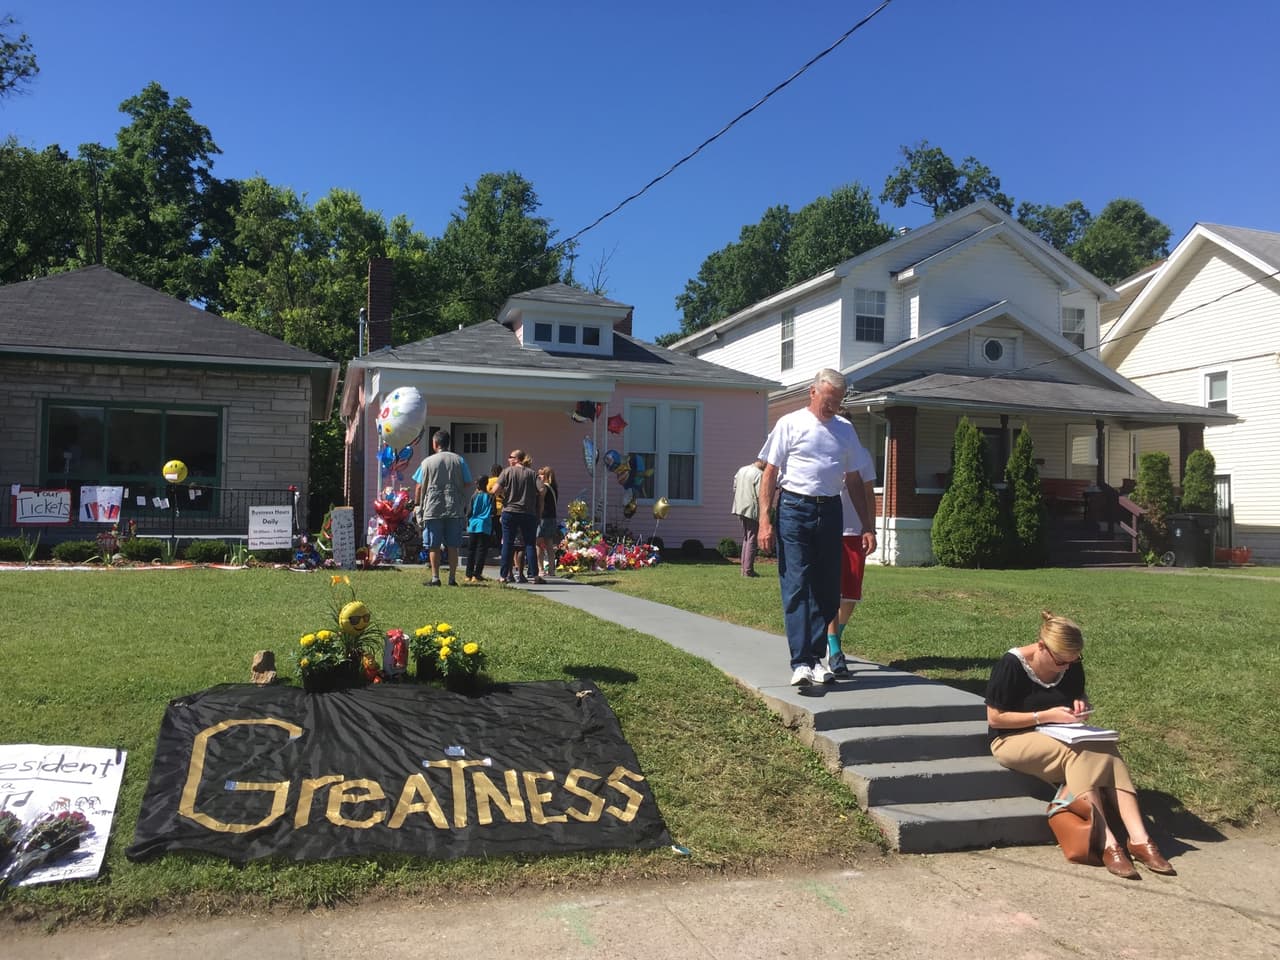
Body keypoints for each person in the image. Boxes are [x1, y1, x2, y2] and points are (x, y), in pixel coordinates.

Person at [985, 610, 1175, 879]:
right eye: (1061, 661)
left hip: (1060, 733)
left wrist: (1080, 704)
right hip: (1012, 739)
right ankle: (1107, 841)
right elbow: (996, 718)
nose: (1066, 667)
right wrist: (1046, 715)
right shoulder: (1012, 665)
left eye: (1073, 660)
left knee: (1107, 749)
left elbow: (1077, 693)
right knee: (1078, 752)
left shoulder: (1071, 665)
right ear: (1041, 647)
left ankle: (1139, 838)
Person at [757, 368, 876, 687]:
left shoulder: (845, 430)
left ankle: (816, 658)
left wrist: (867, 526)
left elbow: (854, 480)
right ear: (813, 392)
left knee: (826, 588)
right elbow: (770, 473)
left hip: (830, 510)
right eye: (828, 399)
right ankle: (801, 662)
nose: (832, 407)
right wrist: (765, 520)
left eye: (838, 401)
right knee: (797, 584)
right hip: (794, 508)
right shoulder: (790, 423)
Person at [826, 408, 877, 676]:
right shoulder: (824, 453)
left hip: (855, 531)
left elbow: (868, 493)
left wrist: (871, 528)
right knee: (831, 591)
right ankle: (834, 649)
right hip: (828, 530)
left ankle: (835, 637)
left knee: (850, 594)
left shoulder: (862, 455)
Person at [413, 429, 471, 587]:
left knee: (434, 545)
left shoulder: (427, 462)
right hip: (454, 507)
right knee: (453, 545)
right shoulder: (459, 460)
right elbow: (467, 482)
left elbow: (419, 486)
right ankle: (452, 578)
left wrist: (417, 505)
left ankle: (435, 577)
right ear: (448, 443)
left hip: (433, 507)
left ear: (435, 443)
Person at [496, 448, 541, 584]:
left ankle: (503, 576)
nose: (508, 459)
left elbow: (495, 490)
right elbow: (542, 489)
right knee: (529, 544)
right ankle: (535, 575)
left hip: (510, 511)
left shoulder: (507, 472)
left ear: (517, 459)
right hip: (528, 512)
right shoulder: (532, 474)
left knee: (507, 543)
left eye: (510, 457)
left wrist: (504, 494)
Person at [730, 459, 765, 577]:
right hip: (751, 509)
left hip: (740, 506)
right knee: (752, 538)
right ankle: (748, 570)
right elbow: (761, 494)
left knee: (746, 537)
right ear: (763, 462)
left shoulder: (742, 470)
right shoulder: (759, 474)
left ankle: (744, 568)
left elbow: (735, 488)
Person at [464, 476, 494, 583]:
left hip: (473, 524)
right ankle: (477, 574)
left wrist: (467, 521)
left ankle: (468, 574)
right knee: (481, 551)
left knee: (471, 550)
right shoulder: (490, 497)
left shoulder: (474, 496)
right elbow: (493, 511)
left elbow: (469, 511)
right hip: (485, 525)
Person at [534, 465, 559, 584]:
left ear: (546, 475)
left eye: (541, 474)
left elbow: (540, 500)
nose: (539, 476)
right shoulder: (554, 487)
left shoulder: (545, 488)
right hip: (552, 517)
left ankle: (541, 569)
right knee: (549, 544)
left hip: (543, 517)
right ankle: (552, 569)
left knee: (538, 544)